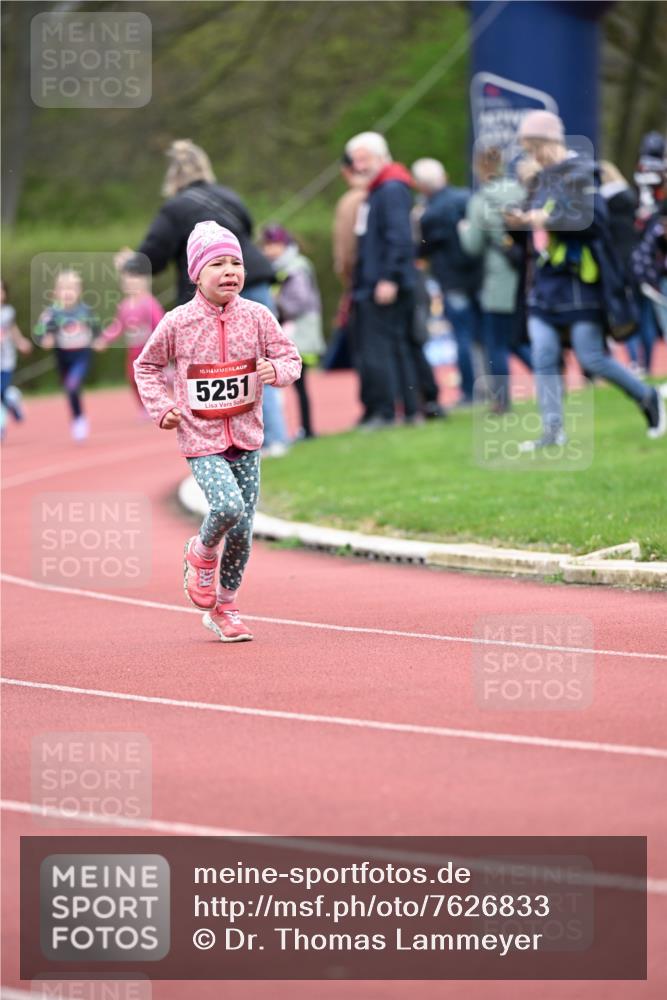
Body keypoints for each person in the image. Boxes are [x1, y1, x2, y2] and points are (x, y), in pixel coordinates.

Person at [134, 222, 301, 643]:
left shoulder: (258, 316)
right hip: (201, 438)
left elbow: (291, 358)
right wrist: (162, 408)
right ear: (195, 274)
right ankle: (201, 550)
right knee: (228, 507)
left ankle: (226, 608)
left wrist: (275, 370)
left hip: (246, 437)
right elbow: (146, 366)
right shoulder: (179, 322)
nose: (230, 271)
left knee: (243, 531)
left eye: (236, 263)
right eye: (218, 264)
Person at [118, 139, 290, 455]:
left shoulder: (175, 208)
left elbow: (153, 254)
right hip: (253, 277)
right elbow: (246, 232)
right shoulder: (230, 197)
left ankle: (219, 444)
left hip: (213, 293)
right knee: (262, 362)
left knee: (217, 369)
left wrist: (130, 263)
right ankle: (274, 440)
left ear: (173, 177)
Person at [507, 110, 665, 447]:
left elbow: (594, 221)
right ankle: (552, 431)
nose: (532, 156)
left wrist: (546, 220)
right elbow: (532, 229)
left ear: (550, 141)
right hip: (544, 283)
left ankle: (647, 396)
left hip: (580, 283)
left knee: (591, 357)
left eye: (534, 148)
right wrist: (517, 222)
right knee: (543, 355)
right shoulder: (540, 179)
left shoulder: (582, 173)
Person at [346, 131, 419, 429]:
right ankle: (409, 411)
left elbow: (399, 237)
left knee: (383, 350)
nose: (359, 166)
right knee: (396, 347)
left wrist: (389, 277)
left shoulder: (390, 189)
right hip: (377, 282)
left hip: (385, 284)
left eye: (363, 159)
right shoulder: (381, 188)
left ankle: (389, 412)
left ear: (380, 156)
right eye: (356, 161)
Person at [457, 145, 531, 413]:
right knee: (519, 337)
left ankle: (501, 400)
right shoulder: (520, 191)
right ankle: (552, 377)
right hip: (527, 275)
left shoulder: (480, 200)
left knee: (496, 343)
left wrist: (463, 230)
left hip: (499, 279)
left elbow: (473, 246)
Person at [412, 157, 482, 407]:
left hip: (452, 280)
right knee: (483, 334)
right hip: (479, 275)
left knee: (462, 335)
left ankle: (470, 392)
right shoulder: (466, 198)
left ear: (422, 185)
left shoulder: (428, 214)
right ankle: (489, 386)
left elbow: (421, 250)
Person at [260, 225, 326, 439]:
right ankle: (300, 429)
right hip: (292, 331)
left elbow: (299, 301)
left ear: (285, 244)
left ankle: (306, 429)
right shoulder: (278, 268)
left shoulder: (295, 267)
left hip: (300, 334)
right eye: (267, 245)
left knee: (299, 385)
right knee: (295, 386)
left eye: (274, 244)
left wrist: (276, 302)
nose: (270, 250)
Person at [598, 160, 656, 376]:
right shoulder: (631, 197)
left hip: (619, 264)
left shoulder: (603, 204)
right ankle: (647, 365)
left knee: (627, 315)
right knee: (646, 315)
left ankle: (633, 363)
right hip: (641, 262)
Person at [33, 270, 100, 441]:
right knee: (70, 390)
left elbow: (96, 328)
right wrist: (45, 338)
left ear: (80, 291)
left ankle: (79, 421)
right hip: (62, 356)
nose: (68, 293)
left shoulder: (85, 311)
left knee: (72, 384)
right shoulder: (52, 313)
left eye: (72, 288)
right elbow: (39, 331)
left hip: (81, 355)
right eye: (63, 289)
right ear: (56, 292)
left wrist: (98, 340)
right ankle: (78, 417)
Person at [94, 258, 164, 416]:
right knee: (133, 378)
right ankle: (144, 408)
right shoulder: (125, 306)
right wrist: (104, 339)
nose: (131, 283)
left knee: (158, 377)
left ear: (144, 282)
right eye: (127, 280)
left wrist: (161, 346)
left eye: (135, 279)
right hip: (133, 352)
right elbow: (117, 326)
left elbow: (160, 324)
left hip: (149, 350)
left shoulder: (149, 303)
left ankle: (169, 401)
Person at [1, 278, 32, 439]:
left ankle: (1, 425)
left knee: (1, 391)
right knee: (2, 393)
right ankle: (13, 400)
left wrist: (21, 342)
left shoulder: (8, 312)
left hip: (6, 360)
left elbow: (13, 330)